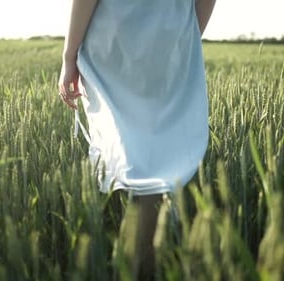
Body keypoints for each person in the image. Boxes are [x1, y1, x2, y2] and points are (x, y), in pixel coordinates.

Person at [58, 0, 216, 279]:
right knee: (158, 157)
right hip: (171, 29)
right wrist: (186, 36)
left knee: (128, 149)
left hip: (114, 32)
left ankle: (131, 261)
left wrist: (69, 56)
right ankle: (149, 259)